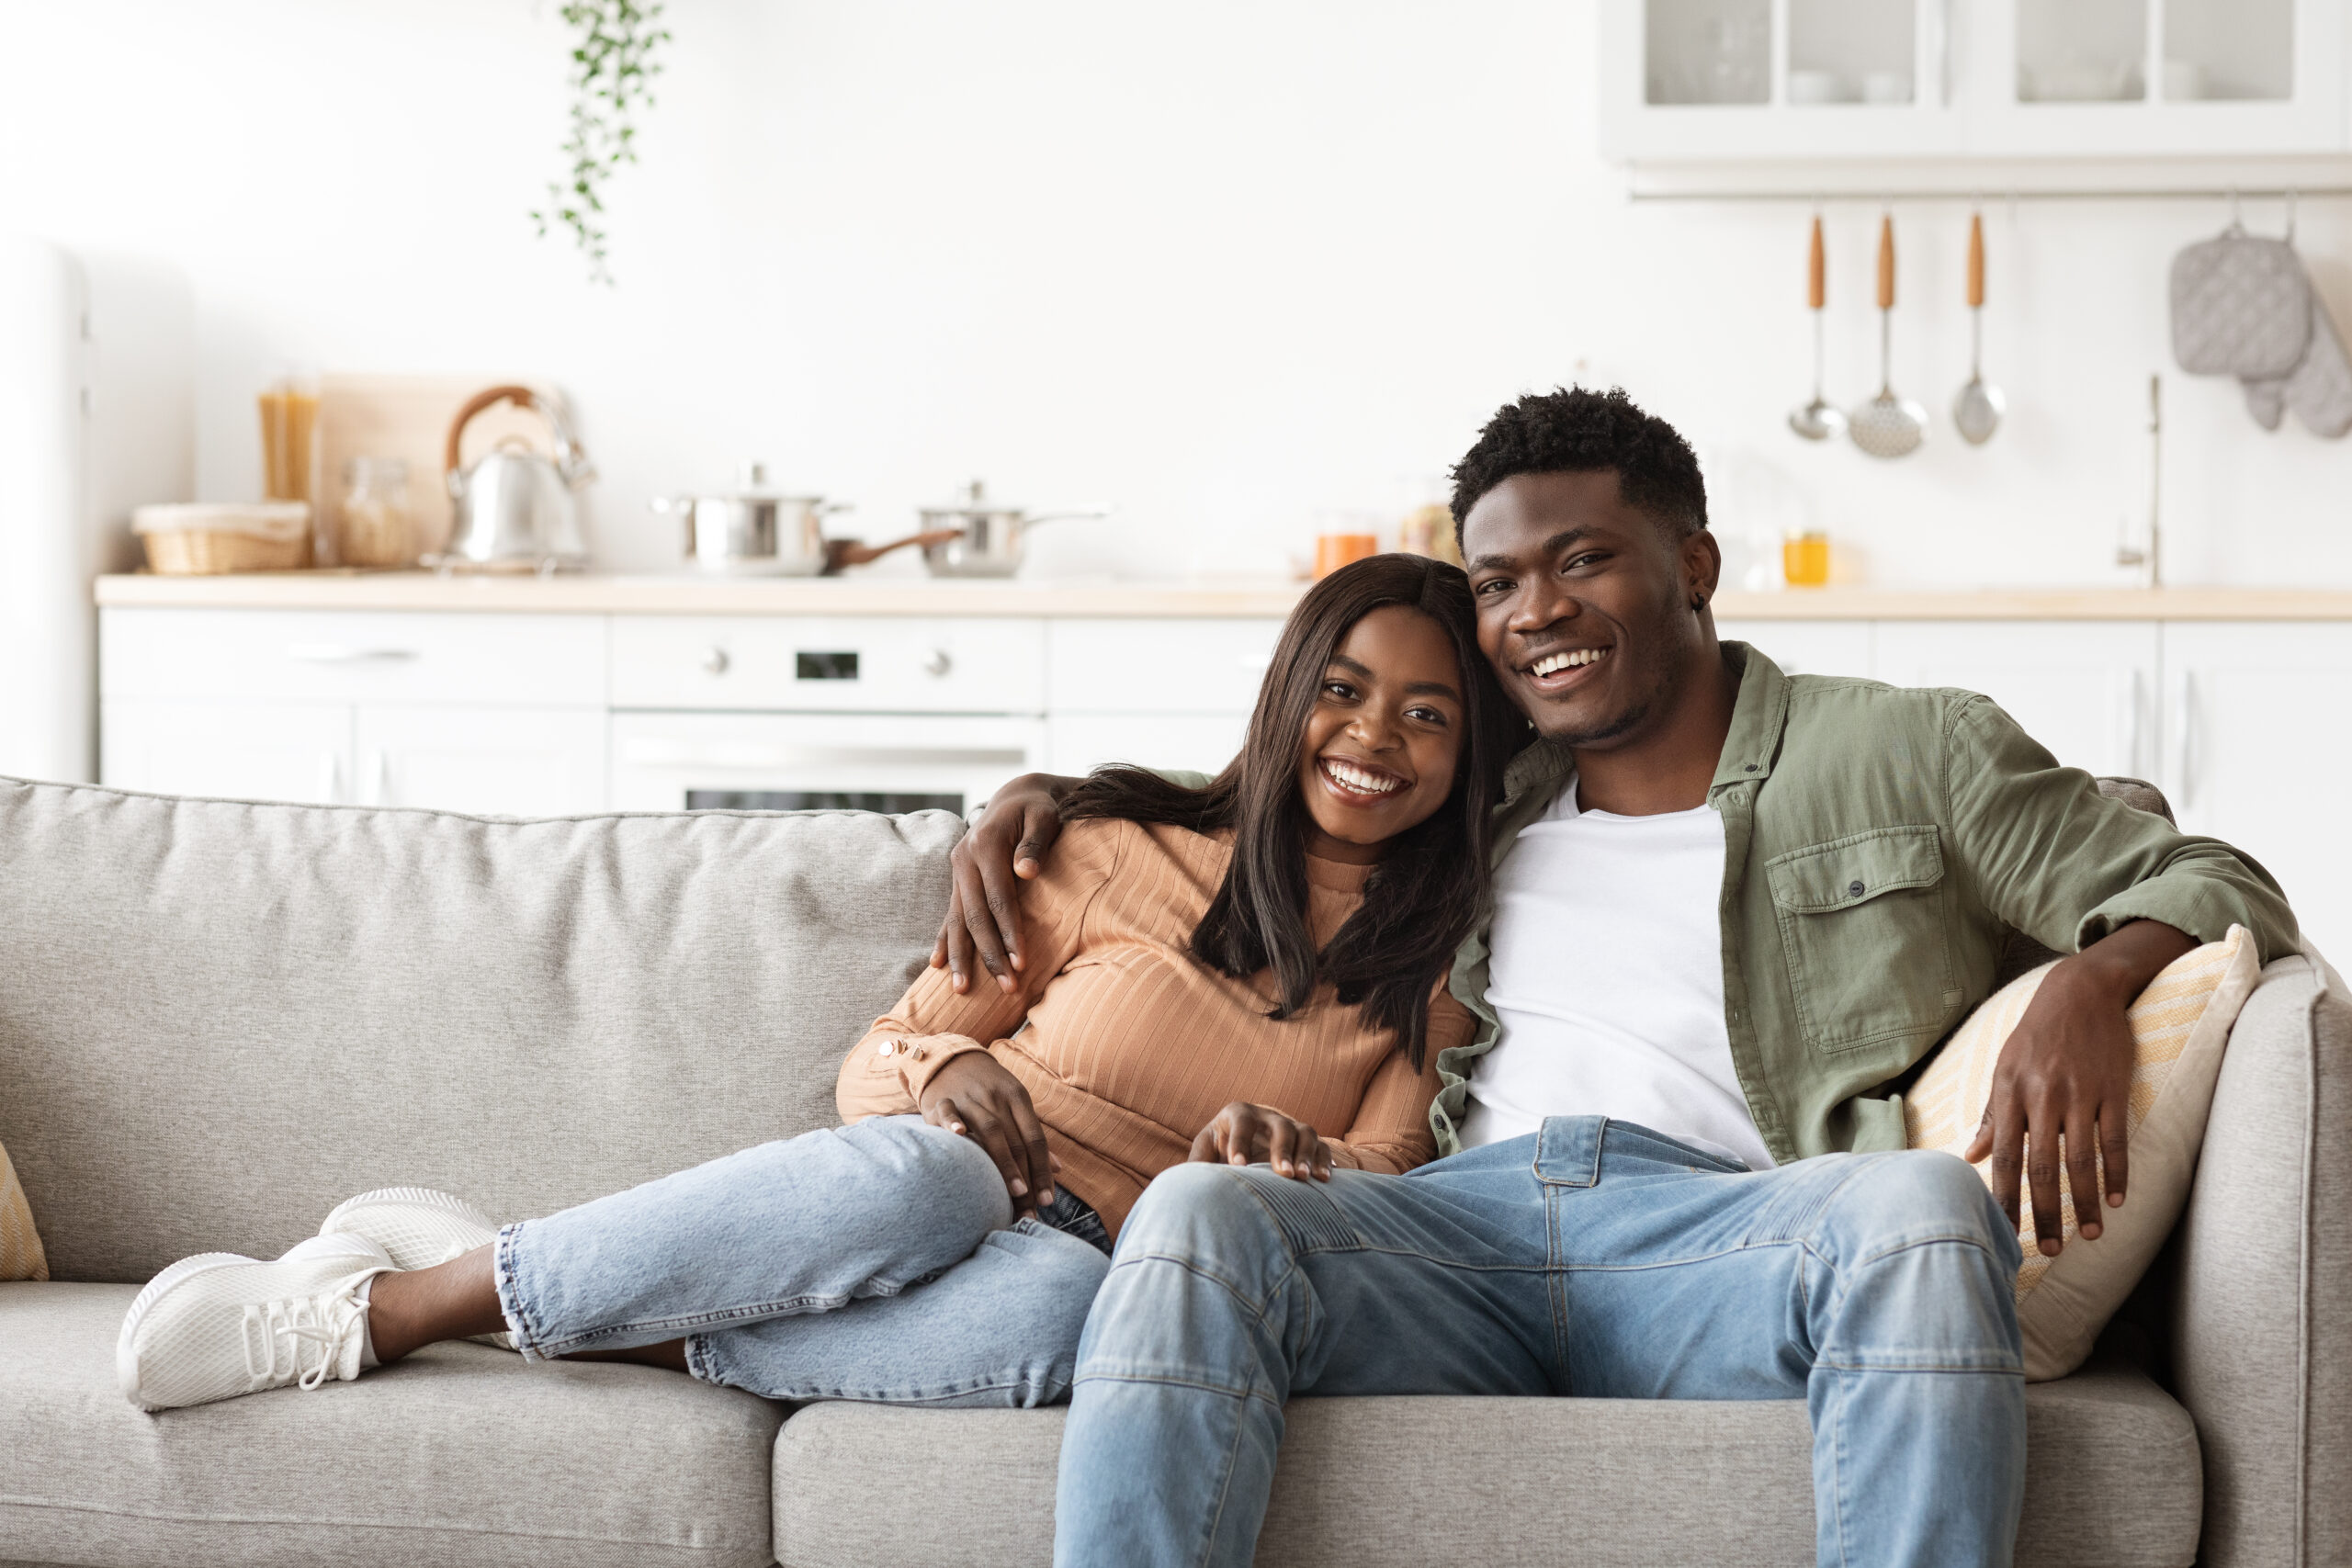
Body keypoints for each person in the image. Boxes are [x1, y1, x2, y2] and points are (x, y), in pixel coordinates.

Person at [944, 388, 2301, 1568]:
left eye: (1581, 561)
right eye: (1496, 583)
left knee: (1928, 1214)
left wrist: (2088, 981)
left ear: (1694, 562)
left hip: (1725, 1241)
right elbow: (1283, 787)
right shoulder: (1482, 784)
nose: (1537, 613)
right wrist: (1044, 799)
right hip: (1452, 1239)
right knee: (1202, 1214)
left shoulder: (1906, 748)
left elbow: (2219, 883)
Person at [115, 552, 1520, 1415]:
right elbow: (881, 1063)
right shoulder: (1106, 852)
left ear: (1469, 757)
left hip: (1103, 1267)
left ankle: (497, 1285)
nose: (1373, 736)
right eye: (1342, 689)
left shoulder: (1427, 987)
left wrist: (1281, 1171)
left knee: (1064, 1332)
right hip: (950, 1185)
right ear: (1286, 702)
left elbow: (1386, 1189)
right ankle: (379, 1313)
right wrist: (948, 1072)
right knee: (930, 1178)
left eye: (1427, 712)